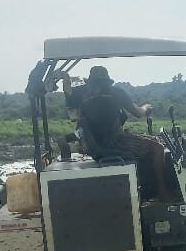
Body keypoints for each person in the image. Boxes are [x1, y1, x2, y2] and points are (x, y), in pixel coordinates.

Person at [62, 66, 179, 202]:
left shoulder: (83, 98)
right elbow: (138, 112)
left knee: (150, 140)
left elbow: (73, 106)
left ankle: (146, 191)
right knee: (158, 148)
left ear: (91, 82)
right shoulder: (116, 93)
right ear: (107, 82)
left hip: (96, 147)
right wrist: (146, 107)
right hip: (116, 140)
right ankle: (163, 193)